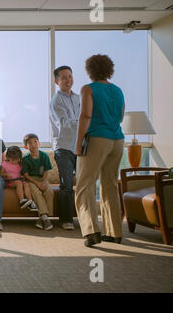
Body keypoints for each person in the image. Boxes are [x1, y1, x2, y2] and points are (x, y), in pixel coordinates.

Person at [74, 54, 125, 247]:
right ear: (109, 69)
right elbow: (120, 116)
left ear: (90, 70)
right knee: (110, 184)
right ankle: (114, 233)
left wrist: (78, 143)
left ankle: (91, 232)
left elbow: (85, 116)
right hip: (118, 140)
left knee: (84, 184)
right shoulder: (118, 90)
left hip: (97, 139)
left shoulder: (88, 89)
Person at [50, 65, 80, 230]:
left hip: (79, 147)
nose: (68, 80)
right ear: (56, 81)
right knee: (66, 185)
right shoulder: (55, 101)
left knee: (83, 183)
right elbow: (65, 125)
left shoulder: (78, 98)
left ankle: (83, 218)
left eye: (70, 76)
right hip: (63, 148)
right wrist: (85, 121)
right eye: (64, 77)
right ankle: (66, 219)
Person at [21, 133, 54, 231]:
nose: (33, 144)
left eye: (35, 141)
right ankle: (45, 218)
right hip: (31, 180)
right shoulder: (25, 159)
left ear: (39, 143)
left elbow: (46, 171)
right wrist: (37, 183)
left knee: (49, 192)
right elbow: (26, 175)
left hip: (42, 179)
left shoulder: (44, 156)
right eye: (30, 143)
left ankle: (42, 218)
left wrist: (43, 182)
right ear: (26, 147)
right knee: (37, 192)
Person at [0, 146, 38, 211]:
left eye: (17, 159)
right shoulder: (4, 164)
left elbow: (21, 173)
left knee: (26, 184)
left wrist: (22, 176)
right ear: (8, 157)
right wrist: (7, 174)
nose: (15, 162)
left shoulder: (20, 164)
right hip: (9, 182)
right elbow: (0, 174)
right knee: (19, 183)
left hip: (18, 180)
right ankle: (22, 201)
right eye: (13, 160)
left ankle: (30, 201)